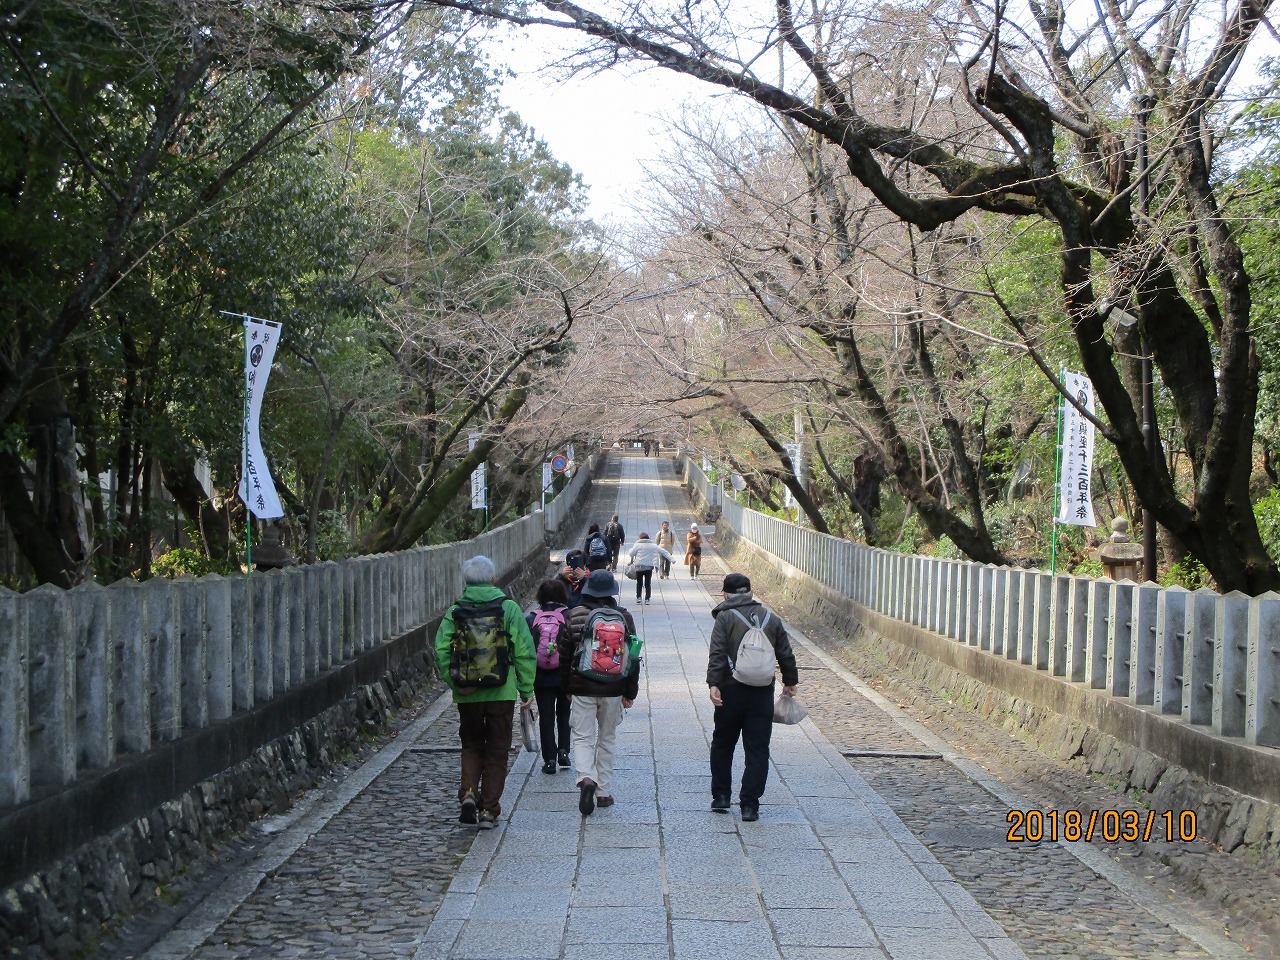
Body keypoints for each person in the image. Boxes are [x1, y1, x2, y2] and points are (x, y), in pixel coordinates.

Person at [434, 555, 536, 829]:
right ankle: (489, 810)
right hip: (501, 691)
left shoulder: (456, 611)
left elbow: (441, 649)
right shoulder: (508, 608)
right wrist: (526, 688)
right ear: (493, 579)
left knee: (471, 744)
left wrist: (456, 682)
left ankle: (469, 792)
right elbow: (523, 650)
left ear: (466, 582)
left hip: (468, 693)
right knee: (497, 749)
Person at [706, 573, 798, 822]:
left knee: (723, 743)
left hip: (730, 690)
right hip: (762, 692)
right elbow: (785, 653)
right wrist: (790, 681)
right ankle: (750, 805)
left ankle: (721, 796)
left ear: (725, 595)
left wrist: (713, 683)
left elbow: (717, 652)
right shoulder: (771, 618)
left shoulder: (725, 617)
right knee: (757, 748)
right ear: (751, 593)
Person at [563, 569, 640, 815]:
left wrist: (567, 688)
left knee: (582, 737)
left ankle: (586, 778)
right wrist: (630, 692)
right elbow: (633, 657)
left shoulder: (575, 614)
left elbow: (565, 655)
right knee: (607, 738)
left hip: (582, 686)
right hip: (614, 687)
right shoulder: (624, 617)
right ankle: (604, 792)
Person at [527, 579, 573, 775]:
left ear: (540, 596)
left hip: (541, 676)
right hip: (564, 675)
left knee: (546, 717)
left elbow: (526, 649)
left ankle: (549, 759)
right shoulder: (569, 615)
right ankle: (563, 750)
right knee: (564, 713)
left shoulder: (531, 618)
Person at [627, 532, 673, 604]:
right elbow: (663, 552)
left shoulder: (637, 545)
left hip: (639, 567)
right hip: (649, 567)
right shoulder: (653, 545)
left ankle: (639, 597)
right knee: (648, 583)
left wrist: (630, 549)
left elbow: (631, 554)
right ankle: (647, 599)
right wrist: (672, 559)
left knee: (639, 583)